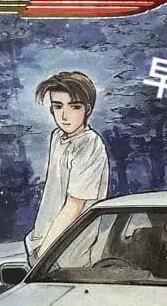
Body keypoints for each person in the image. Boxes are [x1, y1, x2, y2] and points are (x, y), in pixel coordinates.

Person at [25, 71, 109, 264]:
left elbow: (74, 206)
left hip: (71, 247)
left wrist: (44, 255)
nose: (64, 115)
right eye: (57, 106)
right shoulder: (57, 137)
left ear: (87, 109)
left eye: (75, 107)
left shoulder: (89, 144)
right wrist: (38, 243)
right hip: (45, 241)